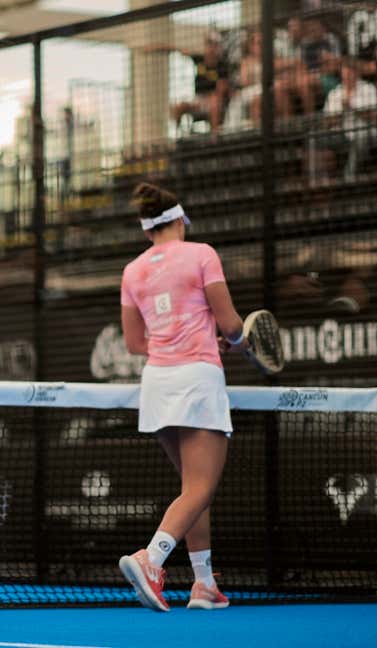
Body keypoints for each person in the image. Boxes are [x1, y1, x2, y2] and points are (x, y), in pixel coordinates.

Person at [117, 182, 245, 612]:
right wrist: (239, 340)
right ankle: (150, 560)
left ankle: (204, 585)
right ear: (179, 220)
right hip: (196, 380)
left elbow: (136, 342)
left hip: (158, 384)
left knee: (193, 490)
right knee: (200, 488)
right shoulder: (202, 254)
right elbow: (231, 326)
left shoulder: (132, 270)